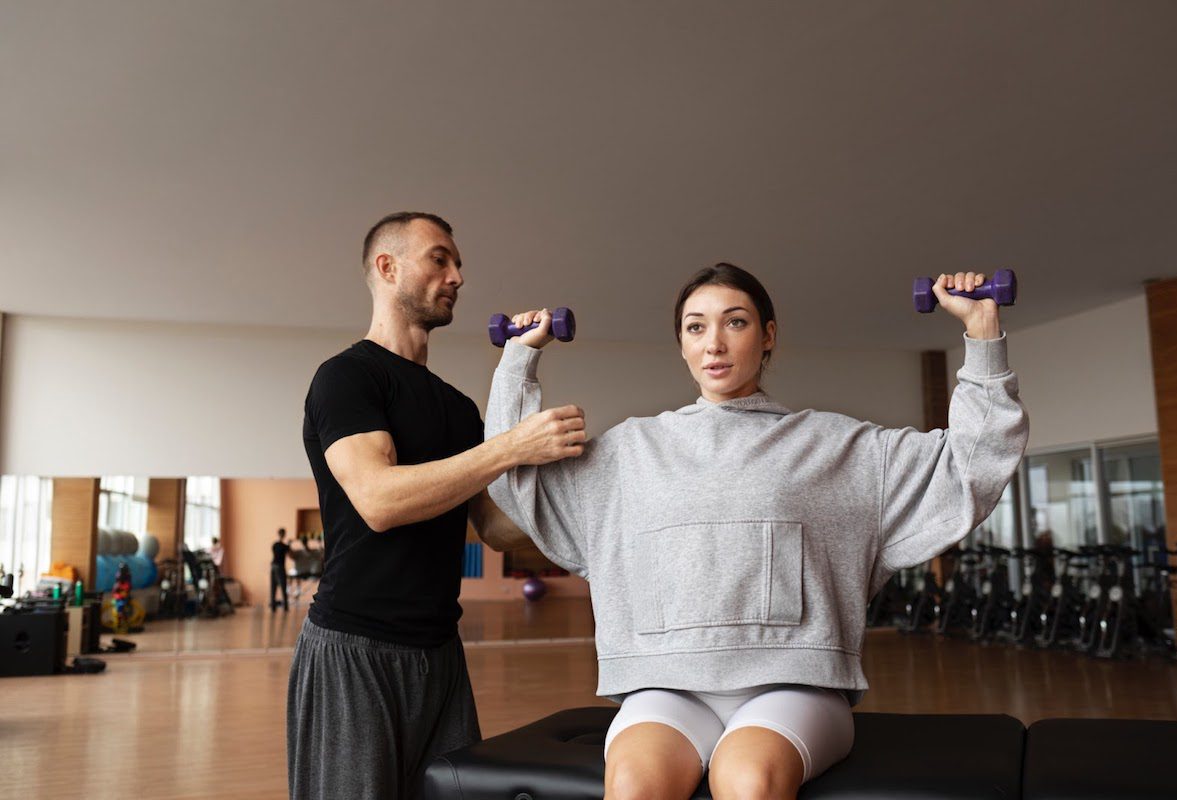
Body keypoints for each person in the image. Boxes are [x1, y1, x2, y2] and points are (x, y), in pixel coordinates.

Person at [485, 264, 1029, 799]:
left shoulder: (838, 447)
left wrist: (981, 332)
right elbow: (515, 478)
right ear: (681, 343)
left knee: (747, 781)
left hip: (793, 686)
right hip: (666, 687)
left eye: (735, 322)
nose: (714, 343)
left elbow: (971, 464)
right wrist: (518, 359)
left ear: (767, 336)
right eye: (696, 327)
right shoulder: (629, 452)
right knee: (632, 786)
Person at [288, 212, 583, 800]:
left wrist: (588, 506)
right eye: (440, 259)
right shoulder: (347, 378)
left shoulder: (455, 408)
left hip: (440, 654)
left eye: (458, 265)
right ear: (387, 267)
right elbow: (378, 499)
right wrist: (509, 447)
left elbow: (497, 530)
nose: (457, 276)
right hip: (356, 649)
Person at [270, 529, 290, 612]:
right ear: (284, 535)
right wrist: (289, 544)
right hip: (280, 567)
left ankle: (273, 606)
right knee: (283, 586)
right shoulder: (284, 546)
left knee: (273, 586)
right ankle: (285, 606)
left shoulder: (274, 545)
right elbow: (290, 553)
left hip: (273, 566)